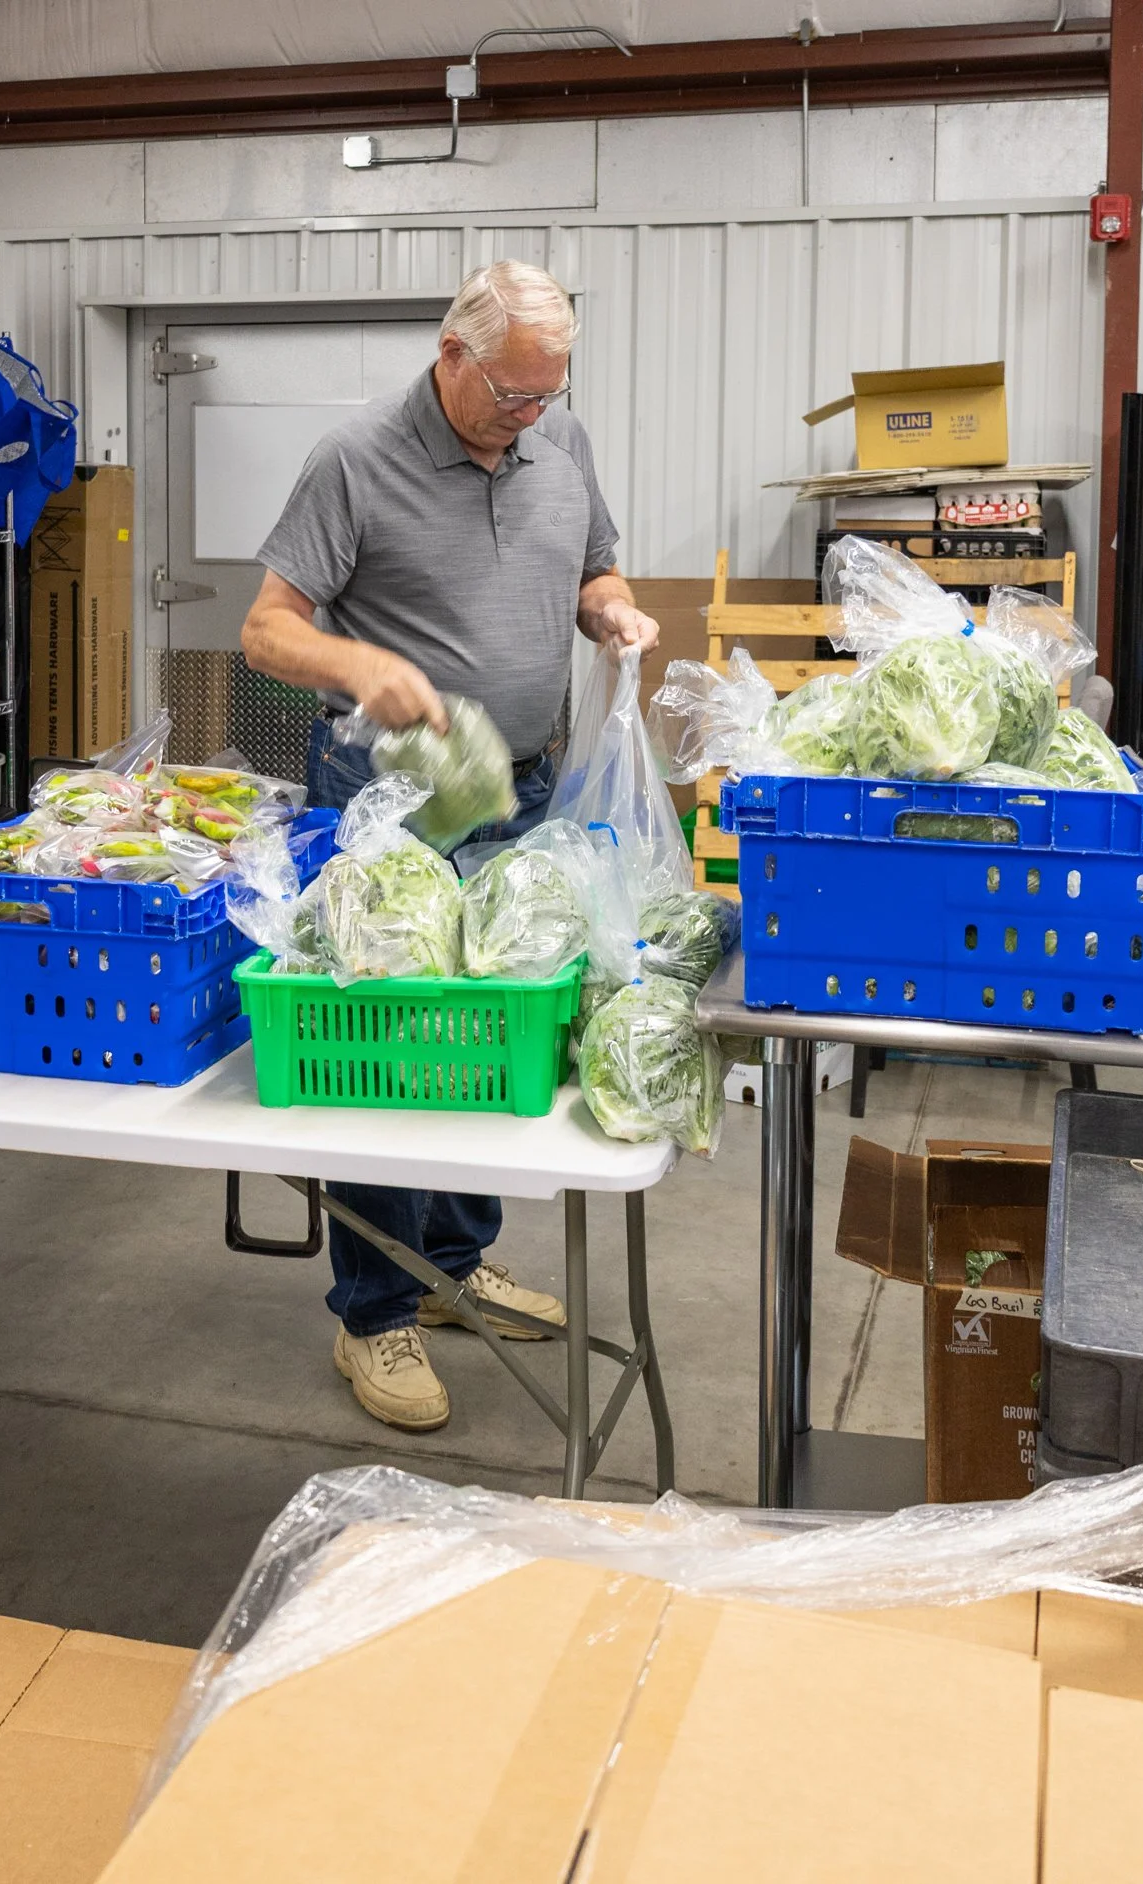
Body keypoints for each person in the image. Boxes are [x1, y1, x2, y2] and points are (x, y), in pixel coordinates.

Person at [242, 260, 660, 1434]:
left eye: (547, 397)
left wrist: (611, 610)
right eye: (514, 397)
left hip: (523, 790)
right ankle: (373, 1309)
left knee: (494, 1029)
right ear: (452, 356)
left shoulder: (559, 437)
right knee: (390, 1035)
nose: (531, 417)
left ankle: (455, 1261)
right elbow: (267, 630)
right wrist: (357, 665)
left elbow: (593, 565)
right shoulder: (354, 459)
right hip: (391, 806)